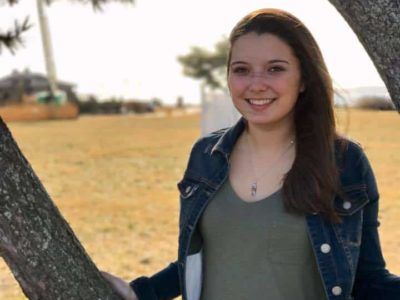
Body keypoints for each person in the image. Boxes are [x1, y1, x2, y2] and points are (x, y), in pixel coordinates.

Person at [102, 8, 400, 300]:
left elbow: (368, 280)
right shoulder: (207, 156)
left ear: (304, 79)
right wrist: (140, 292)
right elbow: (201, 260)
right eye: (241, 70)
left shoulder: (344, 162)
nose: (256, 84)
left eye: (275, 69)